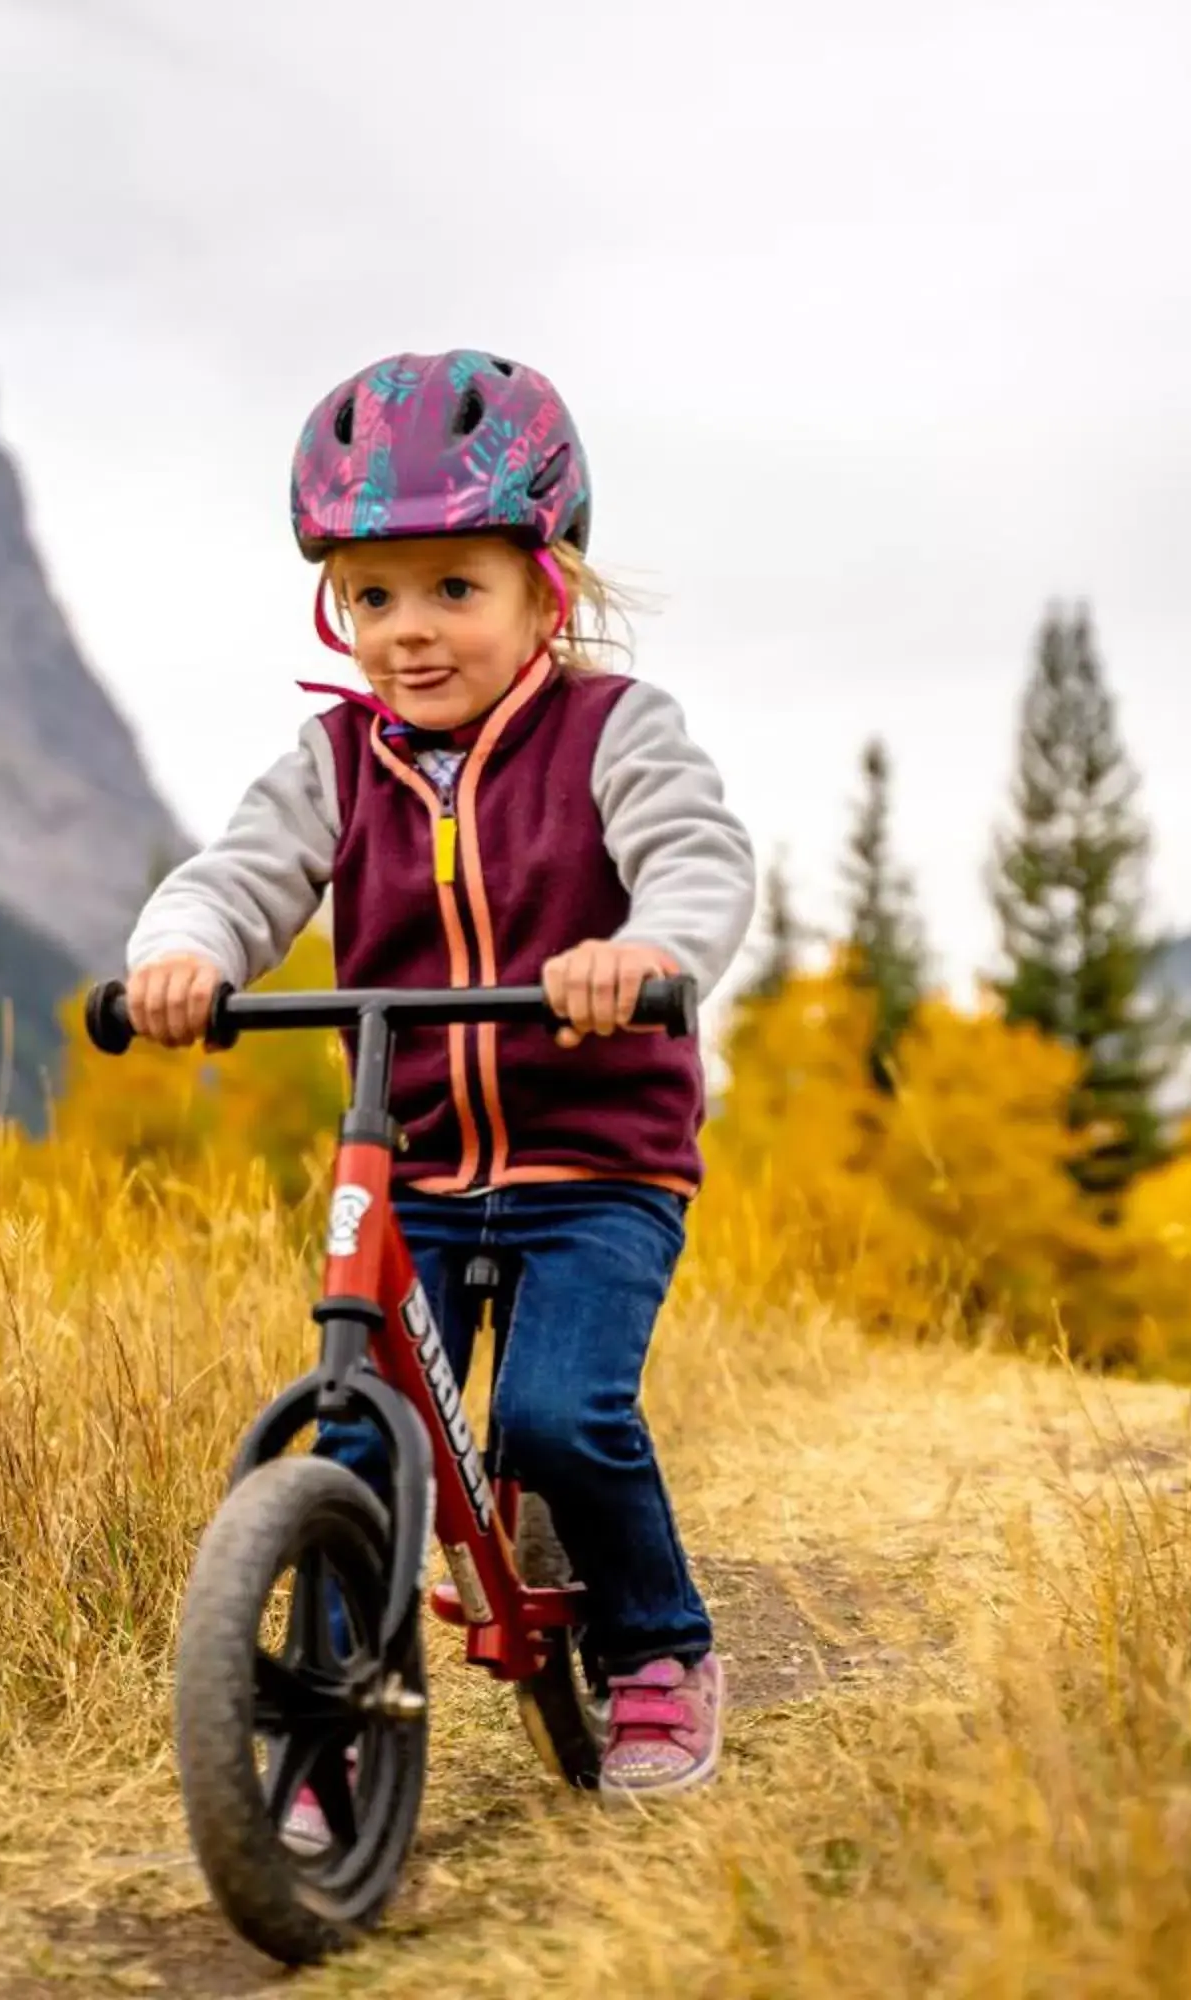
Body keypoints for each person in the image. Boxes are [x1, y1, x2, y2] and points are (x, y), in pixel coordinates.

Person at [120, 350, 755, 1810]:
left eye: (453, 589)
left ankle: (658, 1649)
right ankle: (331, 1731)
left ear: (550, 590)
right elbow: (237, 878)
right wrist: (183, 956)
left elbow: (697, 856)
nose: (409, 632)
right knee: (358, 1436)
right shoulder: (336, 760)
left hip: (595, 1163)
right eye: (373, 594)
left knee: (557, 1416)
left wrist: (642, 946)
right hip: (407, 1165)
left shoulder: (615, 733)